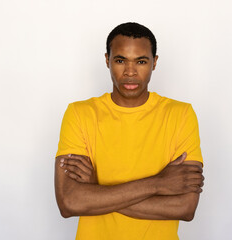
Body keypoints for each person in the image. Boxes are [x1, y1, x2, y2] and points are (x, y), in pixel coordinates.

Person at [54, 22, 204, 240]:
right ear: (107, 60)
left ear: (155, 63)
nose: (130, 72)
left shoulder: (180, 115)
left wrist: (97, 191)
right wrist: (160, 183)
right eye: (120, 60)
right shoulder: (79, 114)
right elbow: (69, 203)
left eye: (141, 61)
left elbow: (185, 208)